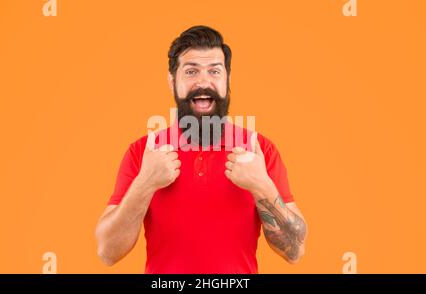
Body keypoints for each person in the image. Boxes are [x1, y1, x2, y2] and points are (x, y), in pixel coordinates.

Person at [95, 25, 307, 274]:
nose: (203, 82)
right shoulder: (144, 152)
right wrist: (145, 183)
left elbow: (294, 251)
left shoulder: (259, 151)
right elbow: (107, 253)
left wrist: (261, 184)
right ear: (172, 81)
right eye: (191, 71)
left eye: (214, 71)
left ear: (227, 79)